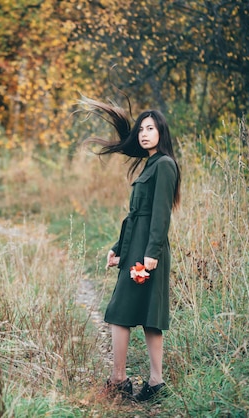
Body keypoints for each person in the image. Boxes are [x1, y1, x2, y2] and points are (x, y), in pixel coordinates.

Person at [81, 97, 181, 402]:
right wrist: (118, 248)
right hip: (136, 247)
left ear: (162, 133)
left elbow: (161, 214)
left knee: (124, 313)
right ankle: (151, 383)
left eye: (151, 128)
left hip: (149, 253)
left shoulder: (164, 164)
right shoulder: (151, 163)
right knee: (137, 314)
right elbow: (135, 215)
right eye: (141, 129)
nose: (144, 133)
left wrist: (151, 253)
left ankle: (123, 381)